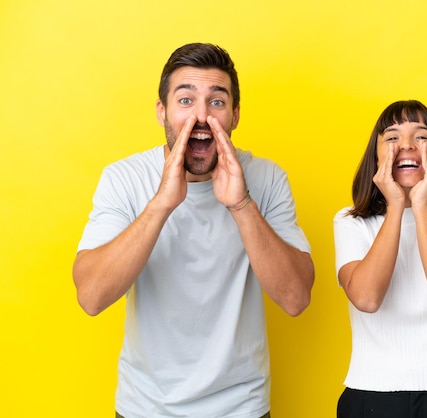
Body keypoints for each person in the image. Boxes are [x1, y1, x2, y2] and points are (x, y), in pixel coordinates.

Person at [73, 43, 315, 418]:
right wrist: (162, 204)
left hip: (242, 407)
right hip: (145, 407)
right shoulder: (123, 178)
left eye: (217, 102)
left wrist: (241, 205)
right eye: (185, 100)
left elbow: (296, 298)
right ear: (161, 111)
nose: (201, 116)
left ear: (235, 115)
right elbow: (91, 297)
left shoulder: (267, 179)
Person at [333, 100, 427, 418]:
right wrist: (394, 206)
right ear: (376, 156)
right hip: (369, 396)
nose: (406, 146)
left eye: (421, 136)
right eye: (391, 137)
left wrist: (420, 208)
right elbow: (366, 298)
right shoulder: (350, 222)